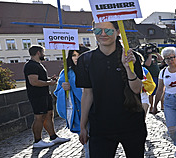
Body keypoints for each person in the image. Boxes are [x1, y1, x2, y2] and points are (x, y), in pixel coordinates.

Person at [76, 21, 146, 157]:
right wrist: (83, 126)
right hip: (100, 126)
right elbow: (87, 94)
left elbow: (137, 89)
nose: (102, 34)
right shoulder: (85, 60)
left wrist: (128, 68)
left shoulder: (132, 57)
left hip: (131, 124)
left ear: (118, 32)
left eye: (108, 31)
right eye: (97, 31)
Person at [24, 45, 70, 149]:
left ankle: (53, 137)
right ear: (38, 53)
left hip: (44, 94)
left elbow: (40, 79)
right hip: (37, 96)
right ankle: (37, 141)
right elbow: (34, 82)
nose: (44, 55)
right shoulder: (31, 65)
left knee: (49, 115)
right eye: (43, 52)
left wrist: (50, 80)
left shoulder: (38, 65)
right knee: (39, 117)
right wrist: (49, 83)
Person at [54, 46, 90, 157]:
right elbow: (58, 92)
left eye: (79, 55)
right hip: (79, 111)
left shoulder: (92, 69)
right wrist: (64, 89)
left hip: (94, 109)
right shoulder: (66, 73)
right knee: (87, 143)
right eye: (74, 55)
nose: (76, 58)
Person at [140, 44, 162, 114]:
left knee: (159, 91)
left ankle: (159, 106)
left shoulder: (154, 56)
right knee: (151, 94)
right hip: (150, 76)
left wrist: (155, 53)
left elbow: (161, 59)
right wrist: (149, 55)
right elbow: (147, 64)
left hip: (157, 76)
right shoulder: (145, 57)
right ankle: (151, 107)